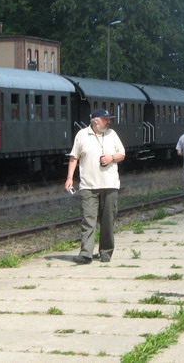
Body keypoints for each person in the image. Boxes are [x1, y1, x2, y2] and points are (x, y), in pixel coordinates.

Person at [65, 108, 125, 264]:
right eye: (106, 119)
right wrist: (70, 178)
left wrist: (111, 157)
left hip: (110, 184)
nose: (109, 122)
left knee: (107, 221)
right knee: (88, 220)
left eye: (109, 119)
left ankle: (105, 252)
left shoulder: (112, 134)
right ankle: (86, 254)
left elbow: (122, 154)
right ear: (96, 120)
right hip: (88, 185)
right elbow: (74, 157)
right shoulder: (82, 135)